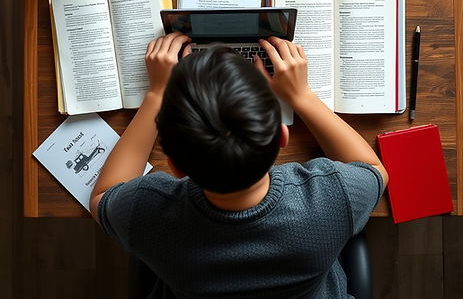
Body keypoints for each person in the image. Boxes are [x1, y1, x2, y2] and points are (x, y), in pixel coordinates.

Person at [90, 32, 388, 298]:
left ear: (175, 166)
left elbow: (102, 197)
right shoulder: (329, 196)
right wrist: (302, 96)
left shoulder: (149, 214)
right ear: (282, 137)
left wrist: (156, 95)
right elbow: (375, 170)